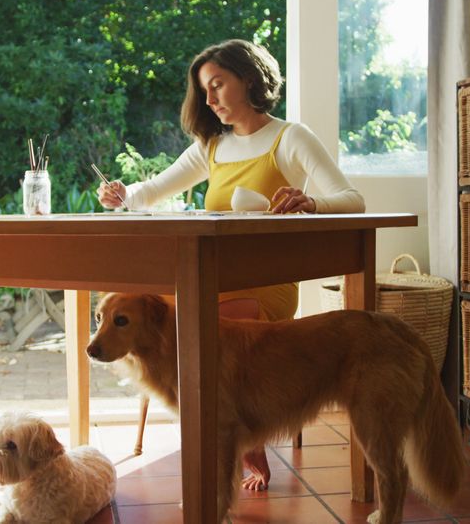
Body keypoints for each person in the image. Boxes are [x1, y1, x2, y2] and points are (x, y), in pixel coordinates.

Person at [97, 38, 365, 490]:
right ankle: (233, 435)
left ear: (249, 79)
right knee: (151, 315)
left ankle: (235, 439)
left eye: (218, 84)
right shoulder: (212, 146)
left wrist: (310, 201)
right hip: (213, 282)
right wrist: (122, 195)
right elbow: (153, 191)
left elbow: (354, 201)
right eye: (204, 90)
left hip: (265, 284)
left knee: (196, 331)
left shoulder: (289, 137)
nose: (210, 99)